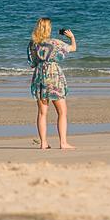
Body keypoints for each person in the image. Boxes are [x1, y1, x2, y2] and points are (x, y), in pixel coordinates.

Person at [28, 17, 76, 149]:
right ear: (48, 28)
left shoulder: (33, 43)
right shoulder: (55, 42)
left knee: (42, 112)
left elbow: (32, 63)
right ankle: (63, 143)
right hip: (54, 76)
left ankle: (43, 143)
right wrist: (71, 37)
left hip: (39, 76)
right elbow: (73, 48)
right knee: (62, 111)